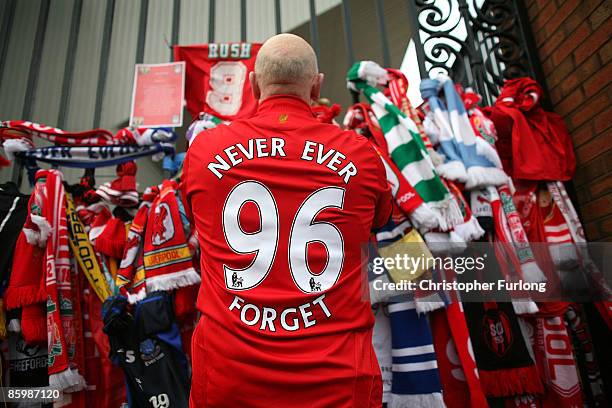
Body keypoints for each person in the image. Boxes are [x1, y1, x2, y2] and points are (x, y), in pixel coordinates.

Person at [184, 33, 392, 407]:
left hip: (229, 378)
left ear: (252, 83)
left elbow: (198, 219)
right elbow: (380, 219)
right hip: (338, 380)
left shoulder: (204, 151)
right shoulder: (361, 156)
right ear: (317, 85)